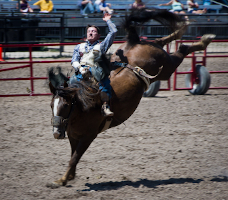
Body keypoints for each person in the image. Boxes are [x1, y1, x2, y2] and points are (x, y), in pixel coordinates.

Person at [70, 13, 117, 117]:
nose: (90, 33)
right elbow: (74, 60)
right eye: (89, 31)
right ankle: (69, 108)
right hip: (81, 70)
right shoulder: (79, 47)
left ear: (98, 36)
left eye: (93, 31)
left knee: (104, 82)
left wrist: (108, 21)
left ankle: (105, 106)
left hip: (96, 70)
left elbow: (113, 32)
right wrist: (80, 68)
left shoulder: (102, 46)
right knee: (70, 84)